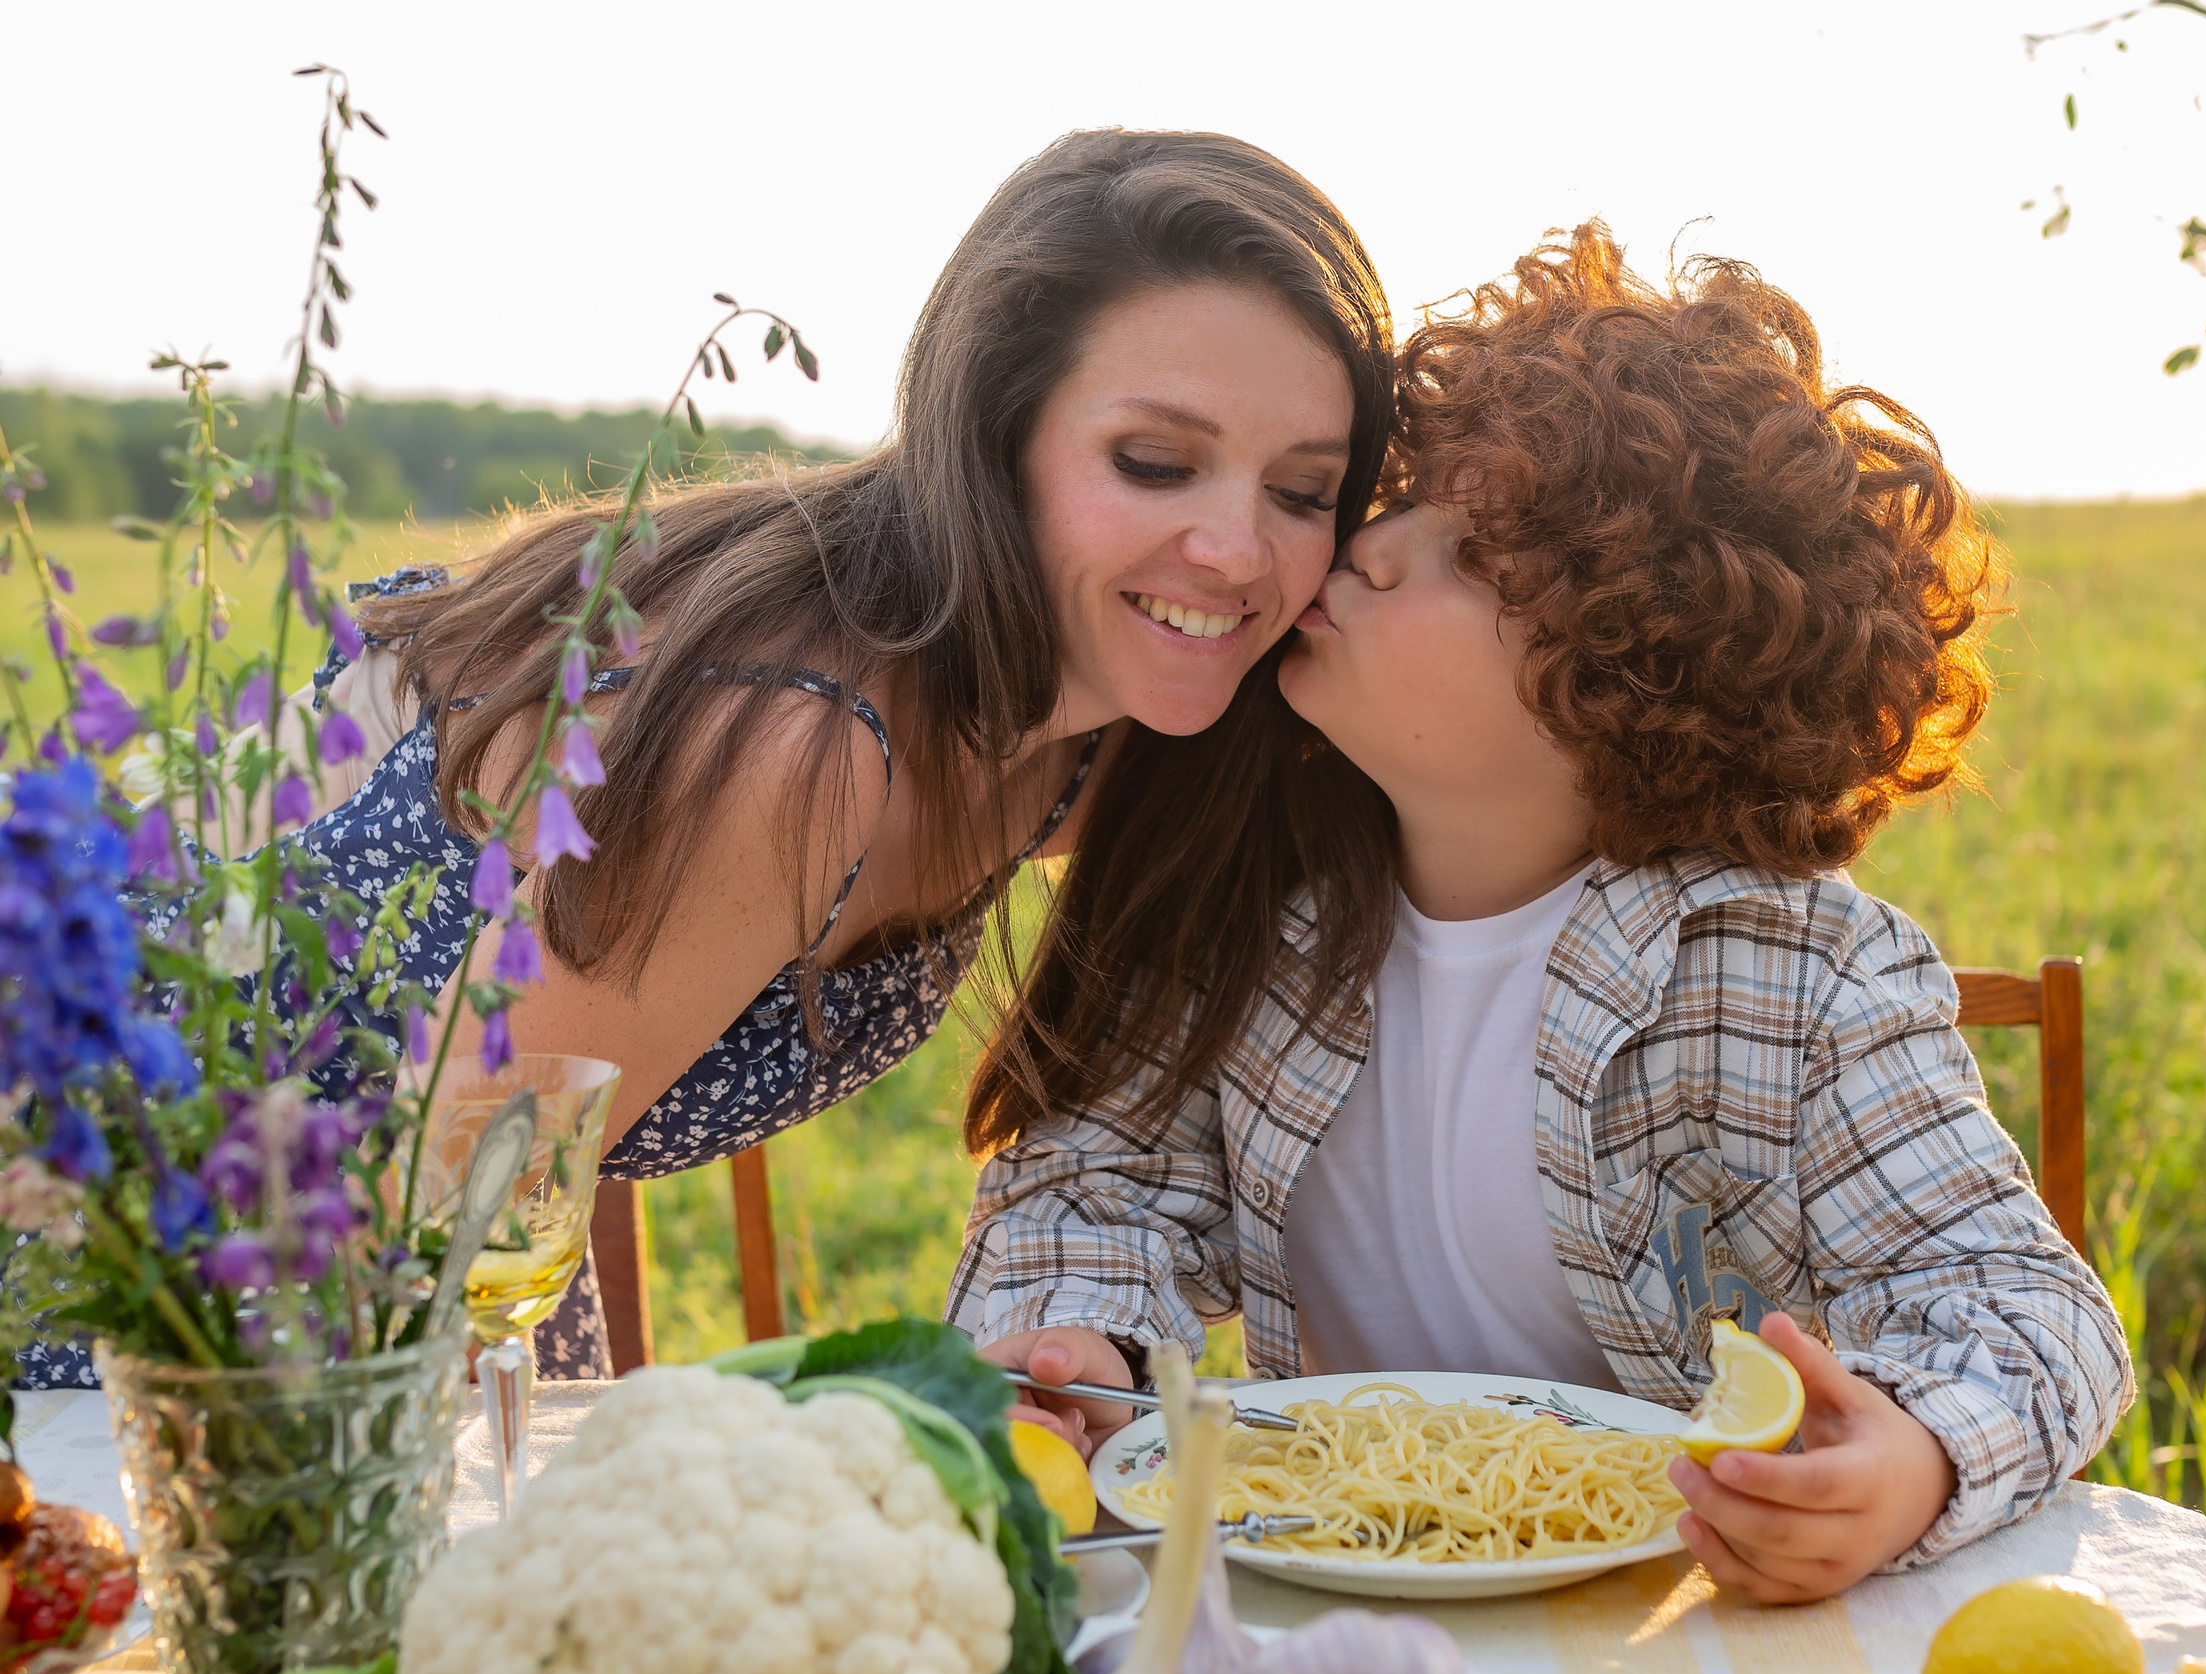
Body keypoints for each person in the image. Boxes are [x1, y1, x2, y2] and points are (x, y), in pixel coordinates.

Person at [4, 128, 1396, 1395]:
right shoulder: (793, 749)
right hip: (127, 1240)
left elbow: (561, 1102)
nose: (1239, 550)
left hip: (391, 1261)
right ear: (994, 439)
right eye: (1157, 462)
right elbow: (428, 1238)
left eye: (1302, 492)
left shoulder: (1095, 742)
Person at [950, 225, 2133, 1600]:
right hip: (1338, 1580)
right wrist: (1072, 1345)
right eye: (1406, 504)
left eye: (1472, 561)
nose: (1372, 549)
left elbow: (2021, 1305)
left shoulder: (1791, 975)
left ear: (1630, 681)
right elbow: (1095, 1190)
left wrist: (1914, 1456)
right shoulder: (1256, 903)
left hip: (1662, 1613)